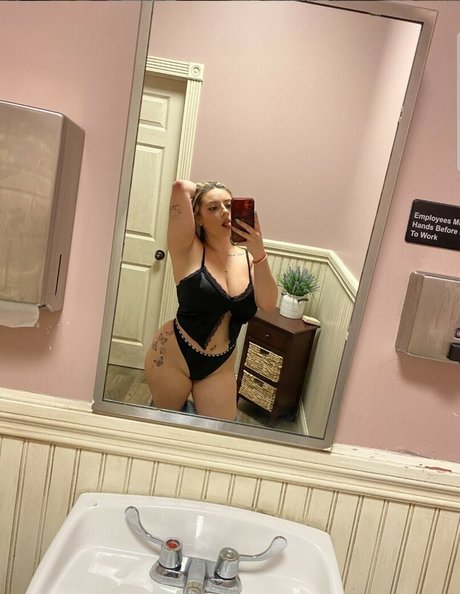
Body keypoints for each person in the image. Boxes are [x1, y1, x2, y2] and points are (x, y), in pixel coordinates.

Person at [144, 180, 278, 420]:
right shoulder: (187, 249)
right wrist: (205, 190)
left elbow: (268, 305)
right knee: (166, 426)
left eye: (229, 205)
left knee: (218, 432)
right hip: (174, 356)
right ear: (198, 217)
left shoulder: (249, 260)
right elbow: (179, 187)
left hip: (219, 365)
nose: (225, 211)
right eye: (213, 208)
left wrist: (260, 253)